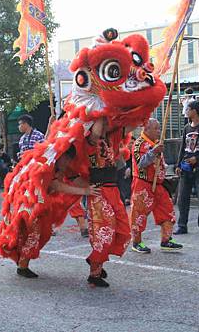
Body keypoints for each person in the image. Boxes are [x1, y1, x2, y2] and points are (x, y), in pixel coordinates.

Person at [16, 145, 98, 278]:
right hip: (30, 201)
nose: (67, 162)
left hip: (40, 202)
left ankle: (22, 261)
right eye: (66, 158)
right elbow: (56, 185)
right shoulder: (48, 163)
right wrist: (85, 191)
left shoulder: (62, 166)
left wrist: (93, 187)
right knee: (34, 233)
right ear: (60, 155)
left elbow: (73, 179)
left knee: (42, 233)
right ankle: (22, 265)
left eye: (69, 159)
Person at [83, 117, 131, 288]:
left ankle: (96, 259)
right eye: (104, 121)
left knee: (124, 231)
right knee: (104, 233)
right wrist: (101, 111)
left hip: (114, 190)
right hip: (98, 192)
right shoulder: (89, 140)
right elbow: (95, 132)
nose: (107, 123)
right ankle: (94, 273)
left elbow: (131, 123)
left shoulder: (113, 138)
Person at [130, 119, 183, 254]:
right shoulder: (139, 144)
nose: (159, 131)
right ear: (146, 129)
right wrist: (153, 152)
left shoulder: (155, 143)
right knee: (139, 213)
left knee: (167, 210)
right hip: (143, 183)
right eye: (156, 129)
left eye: (159, 128)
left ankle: (166, 240)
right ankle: (136, 242)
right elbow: (141, 163)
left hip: (158, 183)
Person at [175, 100, 199, 236]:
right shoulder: (186, 128)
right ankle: (182, 225)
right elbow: (182, 148)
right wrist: (178, 164)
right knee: (182, 198)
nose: (186, 111)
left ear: (195, 111)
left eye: (188, 109)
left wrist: (197, 158)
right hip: (186, 167)